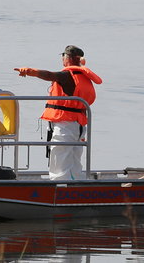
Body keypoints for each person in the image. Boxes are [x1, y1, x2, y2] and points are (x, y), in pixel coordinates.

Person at [14, 45, 102, 180]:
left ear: (68, 58)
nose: (62, 58)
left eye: (63, 56)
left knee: (59, 158)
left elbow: (50, 75)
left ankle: (59, 186)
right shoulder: (83, 77)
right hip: (78, 125)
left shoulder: (67, 75)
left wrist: (30, 71)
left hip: (65, 125)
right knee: (74, 159)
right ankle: (76, 185)